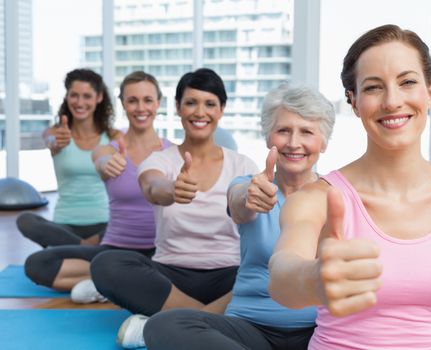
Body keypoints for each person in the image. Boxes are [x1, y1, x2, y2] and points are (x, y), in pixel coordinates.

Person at [268, 24, 431, 349]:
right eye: (374, 87)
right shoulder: (317, 200)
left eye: (407, 82)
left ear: (430, 91)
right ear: (354, 101)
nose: (392, 101)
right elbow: (281, 276)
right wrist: (313, 279)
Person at [143, 85, 336, 350]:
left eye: (306, 132)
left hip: (318, 332)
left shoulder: (337, 195)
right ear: (269, 137)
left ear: (323, 142)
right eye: (283, 131)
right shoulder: (248, 185)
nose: (293, 143)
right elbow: (239, 203)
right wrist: (249, 197)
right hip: (249, 328)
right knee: (161, 326)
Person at [90, 68, 259, 348]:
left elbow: (248, 208)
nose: (199, 112)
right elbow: (153, 187)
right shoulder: (160, 161)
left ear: (222, 110)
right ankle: (213, 321)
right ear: (178, 108)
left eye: (209, 104)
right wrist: (172, 189)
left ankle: (171, 324)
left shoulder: (242, 165)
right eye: (191, 103)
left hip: (229, 273)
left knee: (272, 271)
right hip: (170, 274)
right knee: (106, 264)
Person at [23, 71, 171, 302]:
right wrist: (106, 164)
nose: (140, 107)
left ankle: (107, 283)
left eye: (147, 100)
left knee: (170, 267)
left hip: (158, 251)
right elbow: (100, 160)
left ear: (158, 103)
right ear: (123, 104)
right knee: (37, 263)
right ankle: (117, 281)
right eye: (132, 100)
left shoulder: (174, 153)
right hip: (113, 248)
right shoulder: (107, 150)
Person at [17, 69, 119, 248]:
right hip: (64, 225)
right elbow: (50, 141)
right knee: (25, 220)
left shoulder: (114, 137)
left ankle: (74, 251)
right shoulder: (55, 133)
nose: (80, 102)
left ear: (99, 97)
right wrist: (55, 143)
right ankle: (87, 249)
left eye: (87, 96)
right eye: (74, 95)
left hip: (105, 224)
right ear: (67, 97)